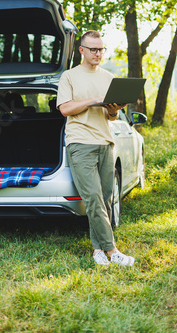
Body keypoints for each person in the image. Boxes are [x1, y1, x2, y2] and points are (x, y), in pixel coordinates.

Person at [56, 30, 135, 267]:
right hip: (80, 143)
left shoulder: (109, 77)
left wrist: (114, 107)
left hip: (105, 143)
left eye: (101, 49)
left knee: (106, 199)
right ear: (82, 50)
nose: (98, 53)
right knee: (92, 198)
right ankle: (113, 251)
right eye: (93, 49)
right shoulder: (69, 77)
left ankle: (97, 249)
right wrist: (94, 99)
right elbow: (65, 109)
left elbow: (110, 117)